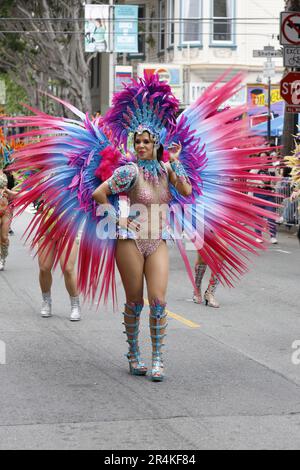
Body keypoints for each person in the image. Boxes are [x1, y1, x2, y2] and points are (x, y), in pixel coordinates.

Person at [92, 134, 192, 381]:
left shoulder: (167, 170)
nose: (141, 146)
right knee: (135, 301)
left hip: (157, 240)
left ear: (156, 144)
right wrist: (119, 219)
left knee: (158, 301)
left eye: (147, 142)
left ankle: (157, 358)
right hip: (130, 241)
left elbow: (187, 190)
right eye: (138, 142)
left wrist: (176, 161)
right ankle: (134, 353)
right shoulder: (130, 171)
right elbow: (99, 194)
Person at [0, 168, 17, 271]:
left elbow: (15, 188)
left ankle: (3, 258)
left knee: (4, 237)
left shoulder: (8, 171)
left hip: (6, 208)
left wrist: (10, 193)